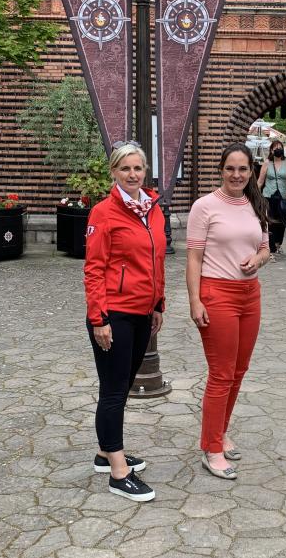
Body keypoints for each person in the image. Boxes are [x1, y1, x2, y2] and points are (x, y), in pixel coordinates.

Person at [83, 141, 167, 502]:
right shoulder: (104, 212)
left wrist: (159, 302)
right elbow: (94, 269)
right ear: (114, 172)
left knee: (124, 383)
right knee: (115, 390)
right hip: (113, 314)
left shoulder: (152, 208)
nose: (132, 174)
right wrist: (99, 318)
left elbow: (157, 259)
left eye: (138, 168)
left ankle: (106, 452)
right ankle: (118, 471)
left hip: (142, 312)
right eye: (125, 169)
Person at [187, 143, 271, 480]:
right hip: (217, 292)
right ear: (221, 170)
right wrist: (195, 300)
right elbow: (193, 258)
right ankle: (211, 447)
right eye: (230, 168)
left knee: (239, 369)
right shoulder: (204, 207)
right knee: (221, 373)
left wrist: (258, 259)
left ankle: (219, 432)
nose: (236, 175)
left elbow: (264, 248)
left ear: (251, 171)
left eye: (243, 169)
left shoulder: (255, 204)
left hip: (249, 294)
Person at [257, 139, 286, 258]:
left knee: (281, 222)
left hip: (283, 196)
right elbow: (260, 181)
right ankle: (271, 248)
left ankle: (278, 243)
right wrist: (256, 194)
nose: (278, 149)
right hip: (268, 195)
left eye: (280, 147)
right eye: (275, 148)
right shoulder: (267, 163)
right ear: (271, 150)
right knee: (270, 222)